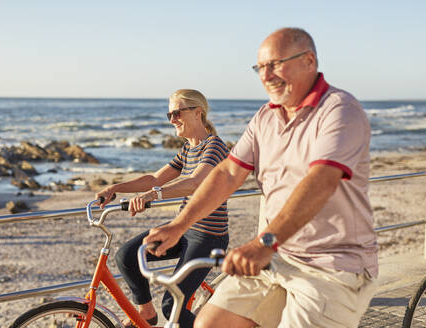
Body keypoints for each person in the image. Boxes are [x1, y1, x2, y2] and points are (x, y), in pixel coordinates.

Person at [143, 27, 378, 328]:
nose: (266, 75)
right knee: (208, 323)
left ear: (309, 61)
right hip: (278, 257)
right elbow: (228, 173)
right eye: (260, 67)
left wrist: (264, 242)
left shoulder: (339, 111)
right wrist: (178, 225)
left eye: (276, 64)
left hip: (332, 267)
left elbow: (320, 182)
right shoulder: (265, 117)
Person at [96, 89, 229, 328]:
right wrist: (115, 187)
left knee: (172, 306)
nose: (172, 120)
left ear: (198, 112)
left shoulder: (214, 147)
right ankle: (146, 313)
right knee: (127, 256)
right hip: (184, 228)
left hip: (209, 237)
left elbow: (194, 183)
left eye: (177, 113)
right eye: (169, 115)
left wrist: (153, 195)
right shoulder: (188, 149)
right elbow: (155, 178)